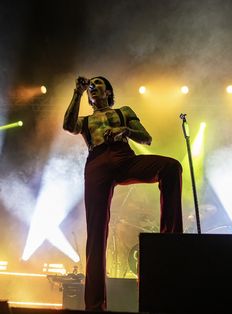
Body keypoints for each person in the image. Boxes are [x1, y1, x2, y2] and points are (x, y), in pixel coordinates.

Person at [63, 75, 183, 311]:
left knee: (171, 167)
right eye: (91, 86)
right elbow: (68, 125)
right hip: (97, 164)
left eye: (99, 83)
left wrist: (124, 130)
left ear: (108, 91)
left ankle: (170, 239)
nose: (93, 87)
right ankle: (95, 306)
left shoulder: (123, 111)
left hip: (124, 158)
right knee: (96, 233)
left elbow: (146, 138)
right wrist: (76, 93)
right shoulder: (87, 120)